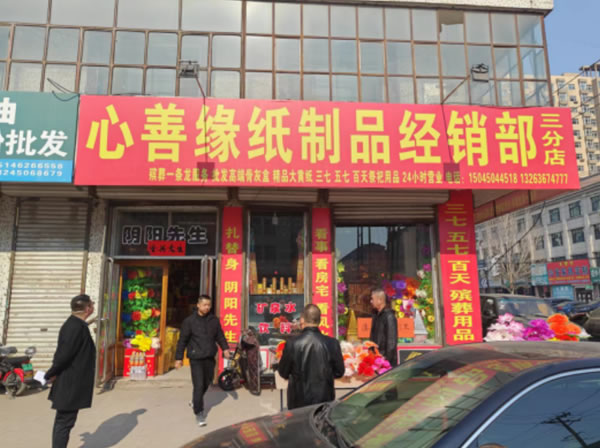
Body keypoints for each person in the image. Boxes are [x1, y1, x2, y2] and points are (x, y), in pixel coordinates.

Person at [45, 294, 96, 448]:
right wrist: (51, 373)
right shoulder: (74, 327)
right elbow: (63, 355)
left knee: (65, 421)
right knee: (64, 422)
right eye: (92, 304)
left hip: (72, 381)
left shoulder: (78, 325)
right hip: (70, 383)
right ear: (87, 308)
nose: (93, 307)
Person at [175, 295, 231, 427]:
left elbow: (220, 336)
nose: (207, 307)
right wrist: (178, 358)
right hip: (196, 357)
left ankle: (196, 401)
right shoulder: (189, 321)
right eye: (204, 305)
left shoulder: (214, 320)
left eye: (209, 305)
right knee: (199, 385)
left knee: (207, 382)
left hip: (209, 356)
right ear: (198, 305)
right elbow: (182, 341)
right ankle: (199, 412)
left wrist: (225, 349)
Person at [278, 304, 345, 410]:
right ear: (319, 321)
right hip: (324, 401)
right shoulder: (332, 343)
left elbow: (283, 372)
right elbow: (339, 372)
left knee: (300, 421)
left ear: (302, 320)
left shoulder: (292, 344)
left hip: (298, 402)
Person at [370, 288, 398, 367]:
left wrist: (385, 361)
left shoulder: (389, 316)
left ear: (380, 300)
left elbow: (391, 343)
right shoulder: (376, 316)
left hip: (385, 361)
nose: (371, 301)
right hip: (376, 358)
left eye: (372, 299)